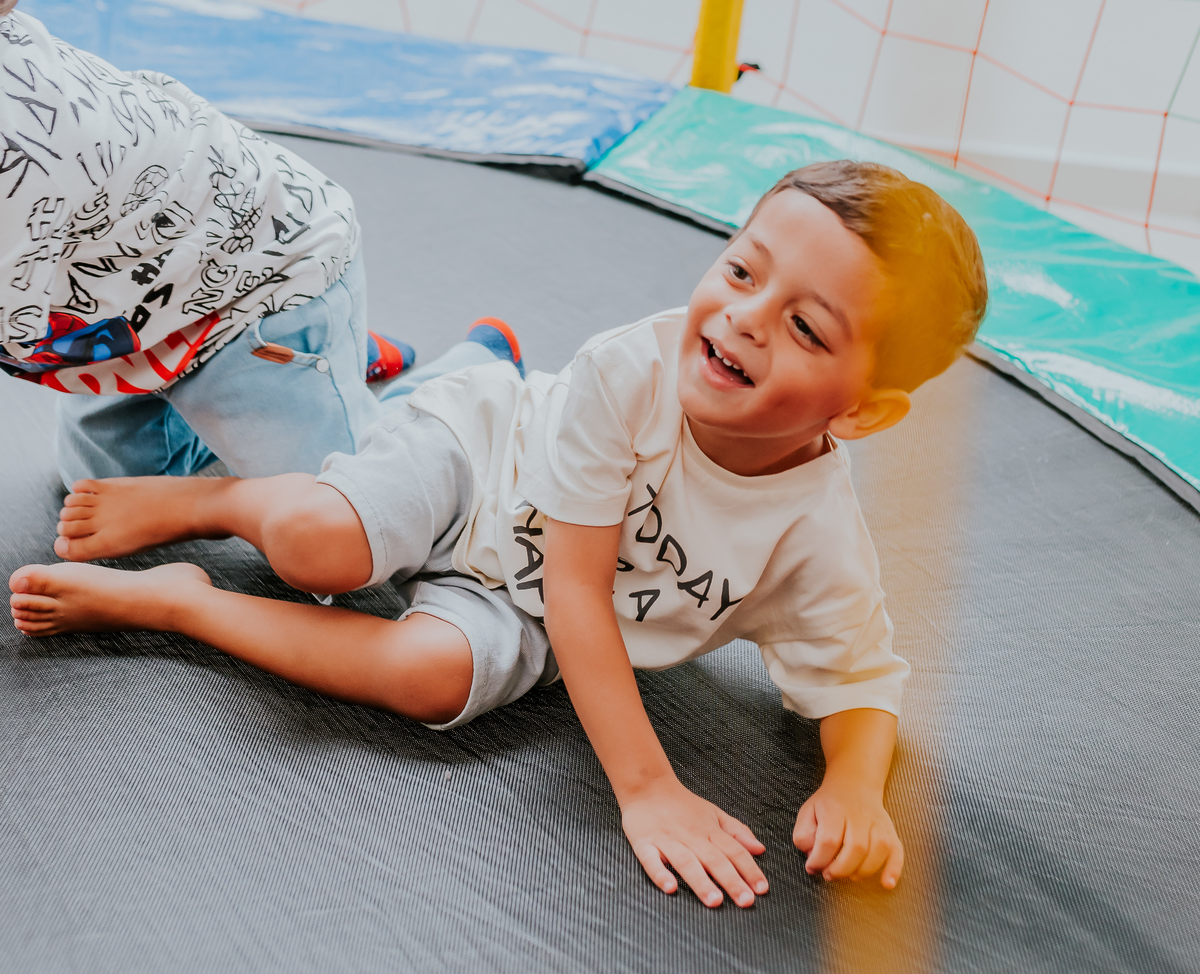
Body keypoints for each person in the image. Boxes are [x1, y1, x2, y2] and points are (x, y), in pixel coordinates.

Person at [10, 161, 987, 907]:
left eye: (808, 328)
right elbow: (577, 585)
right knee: (317, 543)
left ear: (862, 413)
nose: (743, 319)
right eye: (741, 270)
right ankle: (218, 501)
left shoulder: (816, 534)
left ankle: (189, 604)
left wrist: (857, 783)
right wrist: (648, 787)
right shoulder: (628, 375)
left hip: (518, 603)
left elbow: (859, 673)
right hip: (483, 457)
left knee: (431, 679)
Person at [0, 0, 519, 482]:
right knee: (106, 489)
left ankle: (469, 384)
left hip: (261, 286)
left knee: (341, 527)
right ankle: (331, 368)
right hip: (134, 316)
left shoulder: (15, 146)